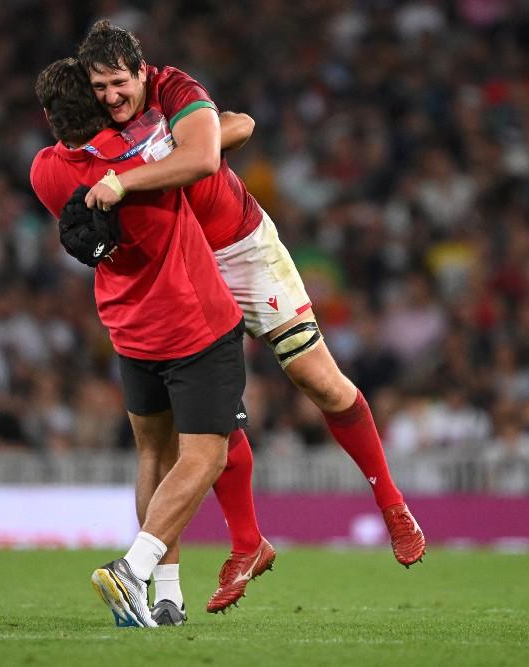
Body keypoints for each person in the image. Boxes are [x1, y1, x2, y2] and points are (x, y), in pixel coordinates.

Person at [77, 21, 427, 598]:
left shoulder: (173, 89)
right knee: (207, 410)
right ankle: (247, 542)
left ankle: (392, 503)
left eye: (119, 83)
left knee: (322, 384)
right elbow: (229, 131)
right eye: (99, 88)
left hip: (242, 250)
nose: (111, 97)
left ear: (142, 72)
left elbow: (211, 153)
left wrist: (137, 175)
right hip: (183, 268)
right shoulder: (97, 126)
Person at [30, 58, 250, 628]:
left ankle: (167, 596)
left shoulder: (45, 171)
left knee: (155, 454)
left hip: (128, 329)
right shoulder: (143, 157)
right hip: (195, 322)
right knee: (207, 454)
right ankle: (133, 570)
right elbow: (225, 138)